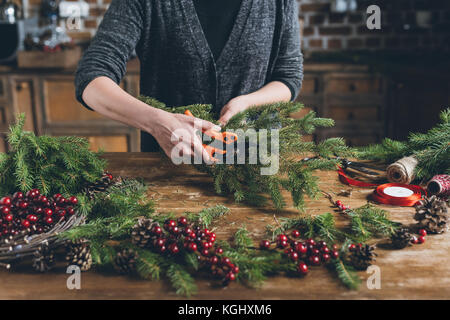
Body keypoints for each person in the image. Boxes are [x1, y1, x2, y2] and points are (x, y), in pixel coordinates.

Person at [75, 0, 303, 162]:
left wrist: (246, 103)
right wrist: (155, 122)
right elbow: (93, 76)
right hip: (171, 161)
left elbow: (288, 76)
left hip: (255, 158)